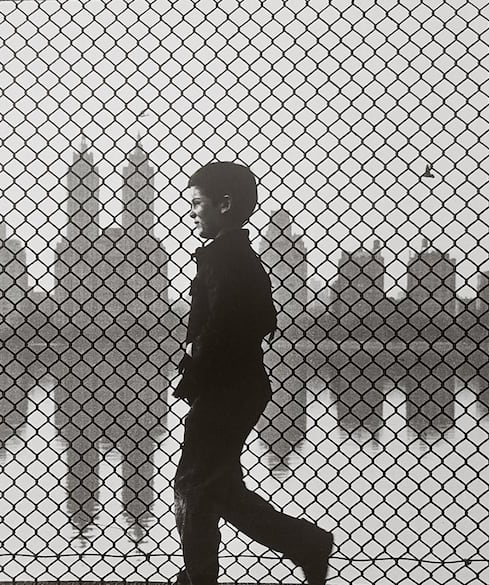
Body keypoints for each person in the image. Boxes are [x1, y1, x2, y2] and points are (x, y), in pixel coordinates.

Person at [172, 162, 334, 585]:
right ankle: (304, 544)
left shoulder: (226, 258)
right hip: (237, 387)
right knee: (218, 486)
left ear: (225, 205)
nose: (192, 213)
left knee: (194, 484)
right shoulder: (233, 255)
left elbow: (229, 322)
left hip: (227, 389)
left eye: (198, 204)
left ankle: (200, 578)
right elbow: (257, 318)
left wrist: (198, 361)